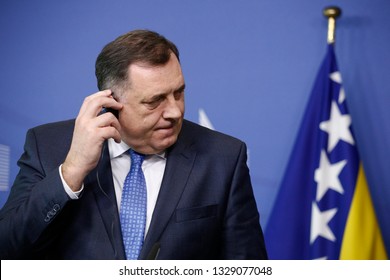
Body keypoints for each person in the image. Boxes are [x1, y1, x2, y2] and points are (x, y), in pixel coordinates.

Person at [0, 29, 268, 260]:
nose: (175, 111)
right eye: (155, 101)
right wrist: (71, 171)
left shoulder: (224, 158)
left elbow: (247, 267)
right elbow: (8, 249)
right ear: (111, 104)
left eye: (179, 92)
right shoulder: (48, 146)